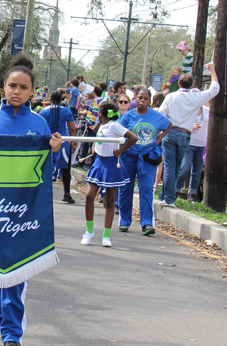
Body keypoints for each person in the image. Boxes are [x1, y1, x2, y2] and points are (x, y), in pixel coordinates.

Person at [0, 54, 62, 346]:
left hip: (23, 211)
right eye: (11, 86)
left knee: (16, 272)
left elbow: (46, 172)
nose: (16, 91)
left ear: (32, 91)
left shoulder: (40, 124)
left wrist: (54, 152)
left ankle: (11, 335)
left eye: (23, 87)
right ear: (3, 87)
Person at [158, 62, 219, 207]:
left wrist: (161, 131)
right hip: (185, 134)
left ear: (179, 83)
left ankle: (167, 197)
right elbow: (214, 89)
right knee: (176, 167)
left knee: (170, 165)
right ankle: (166, 196)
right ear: (191, 85)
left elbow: (162, 114)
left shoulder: (171, 97)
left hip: (170, 131)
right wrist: (212, 71)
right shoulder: (196, 98)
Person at [82, 101, 137, 247]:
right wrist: (95, 147)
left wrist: (120, 151)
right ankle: (89, 231)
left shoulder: (113, 125)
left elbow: (133, 137)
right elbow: (99, 139)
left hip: (112, 163)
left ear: (100, 113)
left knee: (110, 200)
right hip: (99, 162)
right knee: (89, 196)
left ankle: (106, 235)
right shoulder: (102, 125)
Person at [118, 87, 171, 235]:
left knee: (146, 189)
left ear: (150, 101)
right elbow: (119, 131)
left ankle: (147, 223)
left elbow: (169, 125)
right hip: (129, 155)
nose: (142, 101)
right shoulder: (128, 116)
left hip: (147, 156)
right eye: (140, 98)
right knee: (126, 188)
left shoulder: (156, 116)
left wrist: (159, 138)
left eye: (146, 99)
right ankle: (124, 222)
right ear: (135, 99)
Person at [39, 91, 76, 203]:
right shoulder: (66, 110)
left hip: (48, 141)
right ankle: (67, 193)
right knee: (66, 169)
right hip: (63, 140)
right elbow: (72, 128)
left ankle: (43, 194)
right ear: (61, 99)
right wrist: (73, 140)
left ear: (50, 99)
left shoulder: (43, 111)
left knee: (45, 168)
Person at [176, 103, 209, 200]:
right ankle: (176, 190)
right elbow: (180, 125)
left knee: (197, 171)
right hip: (189, 143)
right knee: (184, 169)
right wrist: (191, 126)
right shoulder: (188, 109)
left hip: (202, 144)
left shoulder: (207, 110)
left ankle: (192, 194)